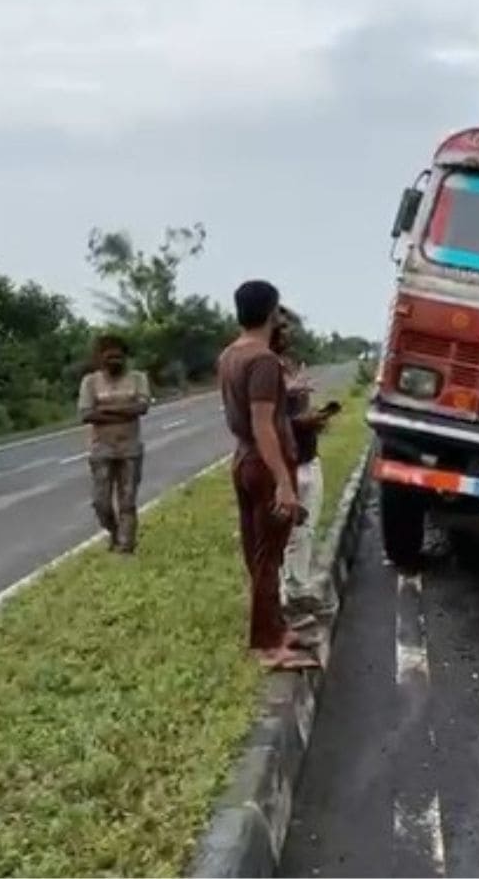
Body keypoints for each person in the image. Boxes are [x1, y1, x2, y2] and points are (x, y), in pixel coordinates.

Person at [218, 280, 317, 671]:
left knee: (257, 551)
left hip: (242, 459)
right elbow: (264, 424)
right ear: (272, 313)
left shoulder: (229, 355)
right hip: (263, 462)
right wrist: (282, 481)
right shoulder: (263, 361)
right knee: (268, 557)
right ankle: (267, 645)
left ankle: (276, 628)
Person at [271, 308, 340, 634]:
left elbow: (295, 410)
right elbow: (267, 420)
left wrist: (316, 418)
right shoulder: (263, 369)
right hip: (287, 463)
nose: (287, 333)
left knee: (307, 530)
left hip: (308, 456)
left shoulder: (289, 364)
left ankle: (299, 591)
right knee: (291, 534)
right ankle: (287, 599)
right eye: (281, 327)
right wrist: (303, 420)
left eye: (288, 327)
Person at [77, 335, 150, 553]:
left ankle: (126, 546)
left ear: (125, 357)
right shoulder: (90, 381)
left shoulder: (137, 378)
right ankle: (115, 532)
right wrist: (124, 412)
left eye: (119, 356)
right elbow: (86, 414)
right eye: (109, 357)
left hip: (130, 448)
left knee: (127, 501)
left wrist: (106, 410)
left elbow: (142, 408)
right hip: (101, 449)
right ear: (100, 358)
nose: (114, 361)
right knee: (101, 503)